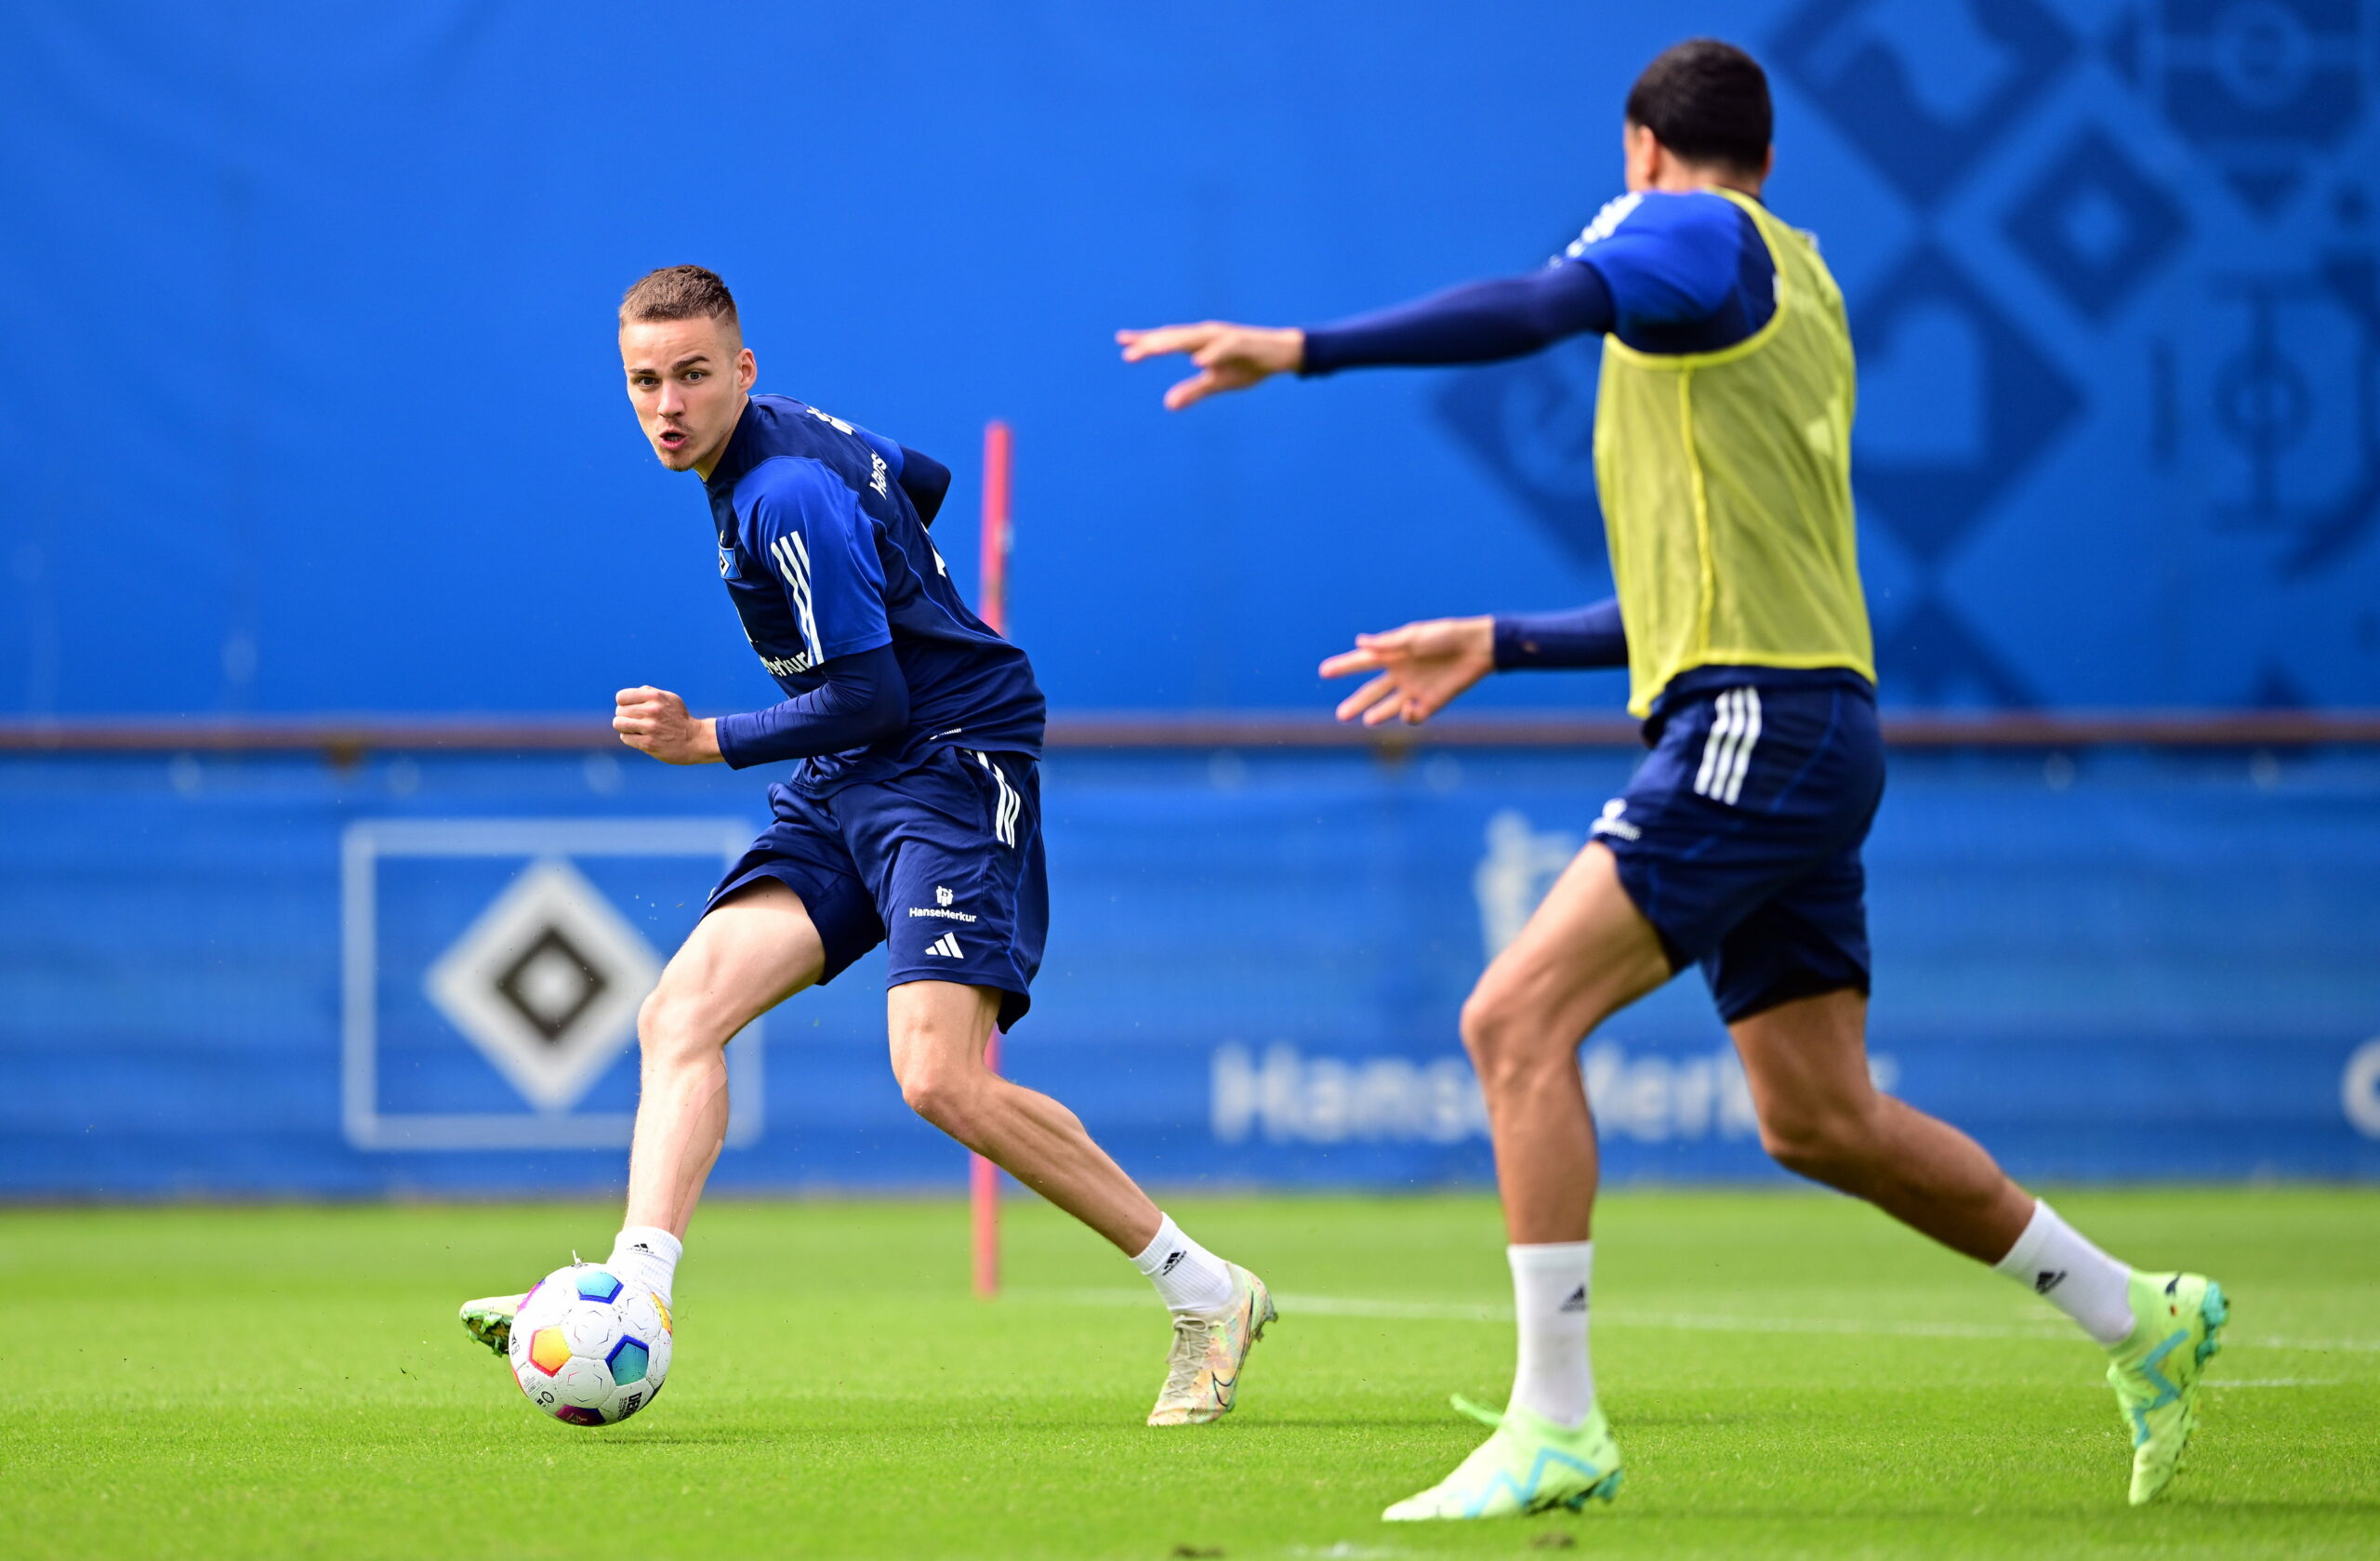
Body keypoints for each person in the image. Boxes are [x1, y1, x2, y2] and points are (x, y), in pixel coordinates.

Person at [1118, 39, 2221, 1517]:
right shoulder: (1798, 282)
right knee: (1820, 1117)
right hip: (1809, 715)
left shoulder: (1683, 229)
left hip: (1761, 724)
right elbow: (1698, 595)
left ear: (1642, 148)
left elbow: (1535, 303)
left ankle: (1556, 1419)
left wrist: (1301, 346)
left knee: (1513, 1017)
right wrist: (1500, 641)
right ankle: (2140, 1313)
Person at [457, 265, 1274, 1427]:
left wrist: (708, 737)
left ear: (743, 370)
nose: (667, 404)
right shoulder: (801, 445)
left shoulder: (782, 493)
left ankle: (1206, 1292)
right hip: (854, 772)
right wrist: (888, 560)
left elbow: (878, 695)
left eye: (694, 375)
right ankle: (631, 1291)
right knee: (678, 1014)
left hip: (942, 763)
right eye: (644, 381)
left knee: (937, 1076)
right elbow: (920, 483)